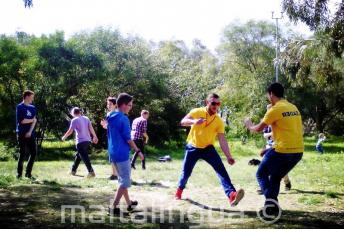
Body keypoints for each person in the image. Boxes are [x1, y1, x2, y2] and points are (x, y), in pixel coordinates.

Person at [175, 93, 244, 207]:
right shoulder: (197, 111)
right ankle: (179, 191)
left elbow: (222, 139)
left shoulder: (218, 120)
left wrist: (228, 156)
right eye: (213, 103)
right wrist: (194, 121)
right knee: (186, 173)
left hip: (208, 149)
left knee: (221, 170)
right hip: (193, 147)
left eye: (218, 104)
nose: (216, 106)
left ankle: (231, 194)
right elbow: (183, 121)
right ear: (207, 103)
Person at [244, 82, 303, 216]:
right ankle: (271, 207)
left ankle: (272, 204)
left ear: (271, 94)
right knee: (275, 177)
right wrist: (269, 150)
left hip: (283, 151)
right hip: (298, 152)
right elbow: (288, 131)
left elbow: (258, 129)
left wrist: (249, 125)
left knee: (261, 173)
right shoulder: (293, 107)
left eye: (268, 95)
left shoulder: (275, 109)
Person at [107, 93, 143, 215]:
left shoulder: (111, 115)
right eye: (129, 105)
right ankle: (113, 207)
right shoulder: (123, 118)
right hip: (122, 154)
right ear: (122, 105)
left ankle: (129, 204)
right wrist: (138, 151)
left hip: (113, 153)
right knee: (125, 181)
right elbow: (128, 139)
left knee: (123, 179)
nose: (130, 107)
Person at [258, 105, 292, 192]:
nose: (269, 112)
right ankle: (265, 187)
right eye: (268, 111)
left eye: (271, 110)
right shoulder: (265, 122)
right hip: (269, 147)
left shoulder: (280, 120)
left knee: (280, 168)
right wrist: (271, 133)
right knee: (266, 167)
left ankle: (287, 181)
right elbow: (265, 135)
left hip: (279, 147)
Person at [62, 107, 98, 178]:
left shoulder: (74, 120)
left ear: (73, 113)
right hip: (87, 141)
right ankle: (73, 170)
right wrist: (95, 136)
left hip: (80, 142)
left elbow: (70, 131)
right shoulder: (86, 118)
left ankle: (91, 172)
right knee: (79, 156)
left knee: (84, 157)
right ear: (80, 112)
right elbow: (91, 128)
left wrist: (64, 137)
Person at [16, 90, 37, 179]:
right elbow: (22, 121)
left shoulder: (33, 108)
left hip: (30, 133)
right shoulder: (20, 107)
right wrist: (32, 120)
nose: (33, 98)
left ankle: (28, 173)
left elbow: (34, 121)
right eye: (32, 96)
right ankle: (19, 174)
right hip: (21, 133)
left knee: (33, 153)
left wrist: (30, 132)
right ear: (27, 97)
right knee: (22, 153)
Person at [101, 97, 119, 180]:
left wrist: (107, 125)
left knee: (116, 156)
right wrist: (104, 125)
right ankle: (114, 174)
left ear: (115, 105)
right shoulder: (108, 114)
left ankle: (118, 174)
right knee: (111, 156)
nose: (108, 106)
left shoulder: (117, 114)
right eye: (107, 104)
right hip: (110, 138)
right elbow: (107, 127)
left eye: (110, 104)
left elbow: (116, 127)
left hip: (117, 138)